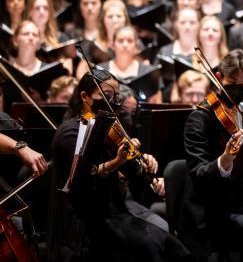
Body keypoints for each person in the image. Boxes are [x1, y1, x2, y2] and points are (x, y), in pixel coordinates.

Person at [47, 69, 189, 260]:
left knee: (174, 246)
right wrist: (116, 163)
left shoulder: (111, 130)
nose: (112, 100)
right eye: (106, 95)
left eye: (116, 95)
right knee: (149, 248)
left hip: (113, 210)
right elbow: (82, 180)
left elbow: (131, 173)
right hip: (83, 219)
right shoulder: (69, 133)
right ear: (85, 97)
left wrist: (142, 164)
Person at [182, 49, 243, 257]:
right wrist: (226, 157)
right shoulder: (200, 118)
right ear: (218, 78)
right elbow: (199, 174)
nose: (238, 90)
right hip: (214, 215)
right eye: (232, 83)